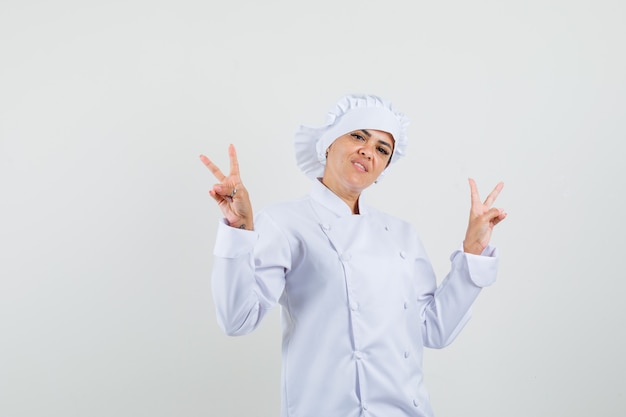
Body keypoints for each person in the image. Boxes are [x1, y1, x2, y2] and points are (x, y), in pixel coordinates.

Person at [200, 94, 507, 417]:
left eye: (381, 149)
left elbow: (433, 329)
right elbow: (237, 319)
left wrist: (473, 252)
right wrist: (239, 230)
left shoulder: (401, 233)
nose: (367, 151)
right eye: (358, 135)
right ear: (328, 144)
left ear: (383, 168)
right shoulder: (285, 222)